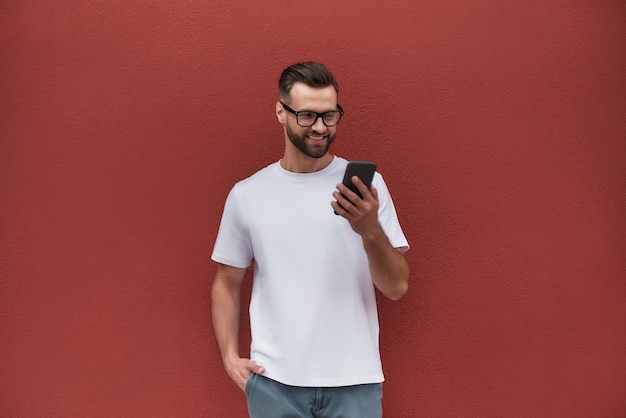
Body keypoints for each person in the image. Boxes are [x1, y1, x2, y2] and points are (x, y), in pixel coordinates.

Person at [211, 61, 409, 418]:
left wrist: (369, 229)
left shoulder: (368, 189)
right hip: (274, 383)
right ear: (280, 111)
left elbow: (396, 286)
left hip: (356, 381)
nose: (320, 127)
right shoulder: (248, 195)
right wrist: (229, 358)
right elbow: (227, 281)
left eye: (329, 116)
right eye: (306, 116)